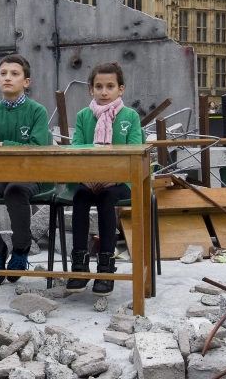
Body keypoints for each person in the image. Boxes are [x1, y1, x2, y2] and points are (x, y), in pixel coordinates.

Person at [0, 54, 51, 286]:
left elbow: (36, 149)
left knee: (15, 191)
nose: (8, 78)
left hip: (30, 175)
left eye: (15, 74)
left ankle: (21, 249)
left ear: (26, 82)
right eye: (3, 74)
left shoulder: (37, 112)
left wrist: (1, 144)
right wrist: (9, 147)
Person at [66, 63, 144, 296]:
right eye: (98, 86)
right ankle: (79, 263)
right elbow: (78, 147)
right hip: (88, 179)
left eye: (110, 86)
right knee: (80, 195)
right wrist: (90, 176)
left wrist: (112, 176)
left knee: (106, 198)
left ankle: (106, 264)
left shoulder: (130, 116)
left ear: (121, 89)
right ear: (91, 89)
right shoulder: (83, 116)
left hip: (121, 182)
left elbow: (134, 150)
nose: (104, 91)